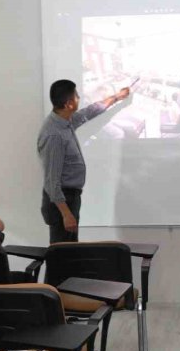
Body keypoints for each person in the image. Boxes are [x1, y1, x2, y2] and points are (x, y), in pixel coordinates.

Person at [38, 79, 130, 243]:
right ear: (69, 104)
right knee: (63, 254)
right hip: (62, 203)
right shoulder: (54, 135)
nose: (79, 99)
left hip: (69, 198)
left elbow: (90, 111)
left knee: (69, 251)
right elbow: (52, 182)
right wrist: (66, 214)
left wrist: (117, 97)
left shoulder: (65, 120)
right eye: (77, 96)